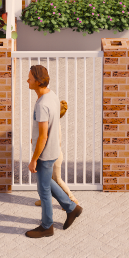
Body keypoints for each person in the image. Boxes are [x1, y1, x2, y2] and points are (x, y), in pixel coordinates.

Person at [25, 64, 83, 238]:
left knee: (43, 189)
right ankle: (72, 208)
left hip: (45, 153)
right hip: (52, 150)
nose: (27, 80)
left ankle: (47, 226)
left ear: (37, 81)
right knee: (47, 183)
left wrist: (34, 159)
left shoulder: (42, 104)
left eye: (29, 77)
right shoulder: (51, 95)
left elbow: (43, 136)